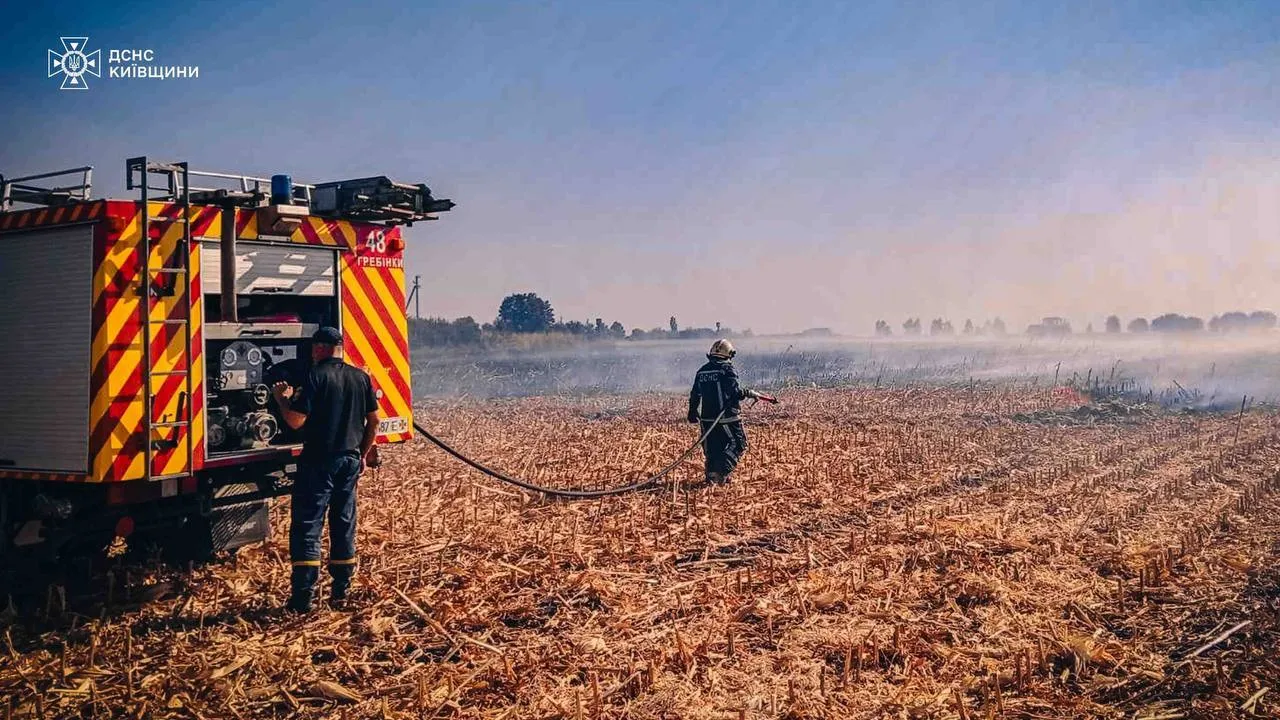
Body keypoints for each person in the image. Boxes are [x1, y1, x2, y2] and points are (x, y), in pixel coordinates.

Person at [271, 326, 379, 613]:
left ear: (319, 348)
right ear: (340, 348)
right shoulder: (360, 377)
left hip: (319, 462)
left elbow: (295, 421)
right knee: (344, 523)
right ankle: (341, 592)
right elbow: (374, 421)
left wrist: (281, 399)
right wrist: (363, 455)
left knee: (308, 525)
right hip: (349, 461)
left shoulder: (315, 376)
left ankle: (303, 597)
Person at [687, 339, 766, 485]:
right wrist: (748, 393)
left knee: (713, 448)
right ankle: (720, 471)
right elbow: (734, 392)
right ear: (729, 354)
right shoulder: (727, 370)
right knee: (738, 443)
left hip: (707, 419)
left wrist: (692, 412)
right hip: (727, 417)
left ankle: (711, 475)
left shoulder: (702, 371)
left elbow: (695, 394)